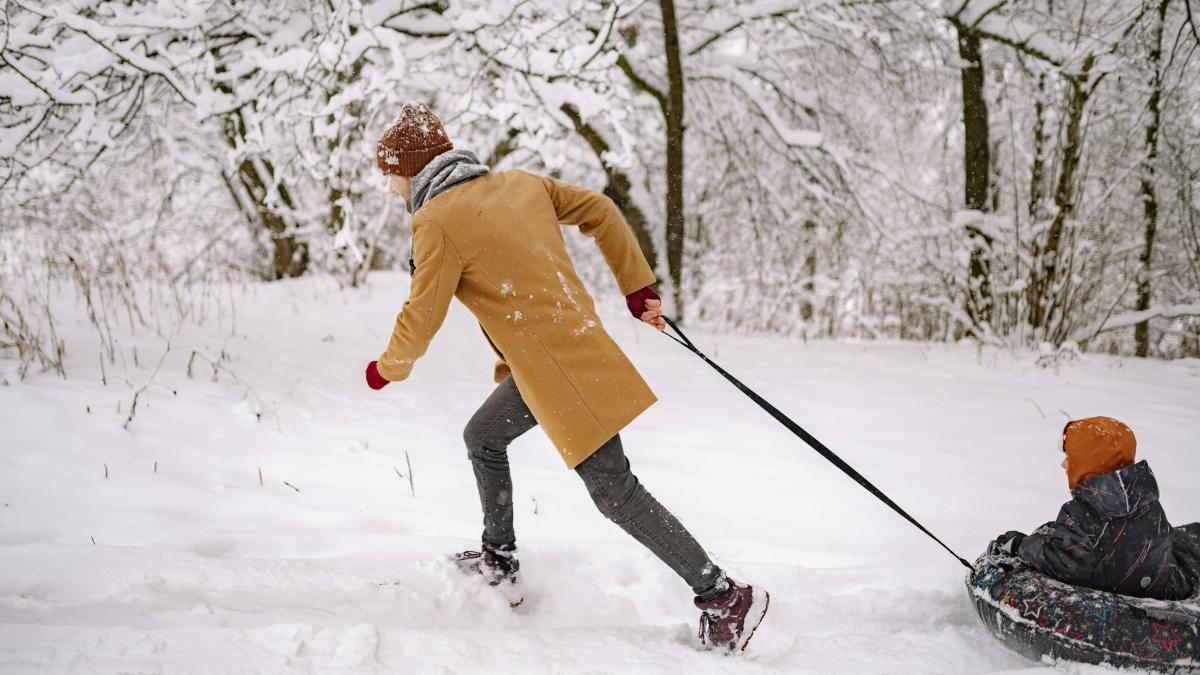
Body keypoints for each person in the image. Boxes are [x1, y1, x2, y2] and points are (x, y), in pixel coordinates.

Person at [363, 102, 769, 652]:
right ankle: (499, 560)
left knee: (615, 493)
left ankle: (723, 595)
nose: (387, 185)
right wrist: (637, 287)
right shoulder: (519, 183)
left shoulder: (434, 222)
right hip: (550, 361)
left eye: (389, 171)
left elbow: (423, 312)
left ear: (411, 167)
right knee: (483, 437)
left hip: (560, 372)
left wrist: (387, 368)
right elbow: (599, 209)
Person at [994, 416, 1196, 600]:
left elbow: (1067, 563)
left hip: (1115, 601)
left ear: (1087, 464)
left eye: (1071, 458)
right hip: (1159, 588)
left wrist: (1020, 545)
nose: (1064, 465)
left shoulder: (1079, 513)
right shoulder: (1149, 501)